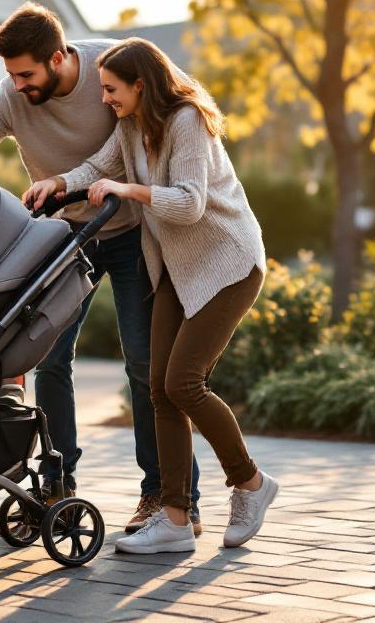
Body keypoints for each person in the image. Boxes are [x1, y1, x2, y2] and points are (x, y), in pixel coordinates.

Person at [0, 3, 202, 532]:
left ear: (57, 58)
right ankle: (57, 483)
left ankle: (169, 495)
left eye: (26, 74)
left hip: (129, 234)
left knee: (145, 367)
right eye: (11, 75)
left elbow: (159, 120)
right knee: (49, 359)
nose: (17, 85)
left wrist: (83, 183)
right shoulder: (13, 95)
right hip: (63, 236)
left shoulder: (111, 69)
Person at [38, 37, 277, 553]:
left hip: (227, 263)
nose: (105, 99)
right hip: (176, 266)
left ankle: (251, 483)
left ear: (141, 85)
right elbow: (98, 168)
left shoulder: (187, 120)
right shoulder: (130, 125)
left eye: (112, 89)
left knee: (184, 383)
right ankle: (174, 517)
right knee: (158, 387)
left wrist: (129, 191)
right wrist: (58, 183)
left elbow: (189, 204)